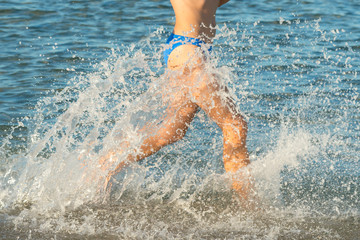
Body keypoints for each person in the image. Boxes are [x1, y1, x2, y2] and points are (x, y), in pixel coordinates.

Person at [102, 0, 253, 202]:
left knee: (172, 131)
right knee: (235, 124)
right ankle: (251, 205)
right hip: (189, 53)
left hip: (187, 51)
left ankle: (108, 163)